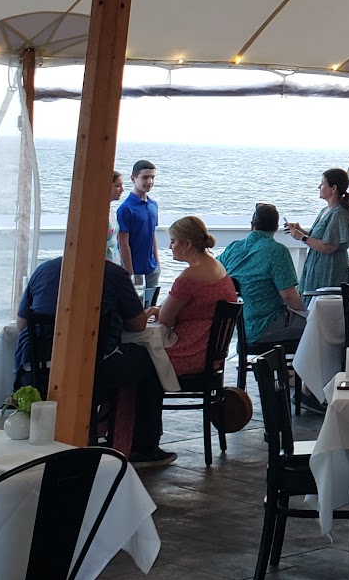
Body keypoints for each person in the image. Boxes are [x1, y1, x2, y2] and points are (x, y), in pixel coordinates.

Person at [17, 241, 173, 467]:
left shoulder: (43, 270)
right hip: (92, 372)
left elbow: (22, 325)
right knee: (151, 364)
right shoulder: (114, 274)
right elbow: (138, 325)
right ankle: (142, 447)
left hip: (35, 369)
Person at [153, 217, 237, 375]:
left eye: (173, 241)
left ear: (187, 244)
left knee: (133, 359)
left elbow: (165, 319)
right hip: (210, 354)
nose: (170, 246)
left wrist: (156, 311)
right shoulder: (217, 266)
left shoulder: (190, 276)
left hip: (188, 354)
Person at [220, 204, 308, 349]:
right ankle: (306, 364)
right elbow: (289, 296)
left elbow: (215, 273)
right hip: (268, 325)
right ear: (276, 227)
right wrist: (306, 312)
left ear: (252, 225)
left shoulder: (233, 249)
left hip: (243, 327)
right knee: (318, 326)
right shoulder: (277, 251)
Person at [286, 168, 349, 294]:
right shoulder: (325, 210)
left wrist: (302, 237)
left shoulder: (339, 214)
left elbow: (328, 246)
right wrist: (301, 231)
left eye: (322, 184)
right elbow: (320, 238)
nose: (319, 187)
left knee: (322, 302)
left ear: (333, 188)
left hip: (329, 269)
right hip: (316, 266)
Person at [115, 158, 161, 303]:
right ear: (133, 179)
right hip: (134, 269)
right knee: (134, 306)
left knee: (151, 304)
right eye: (145, 177)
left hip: (152, 267)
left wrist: (157, 262)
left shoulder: (153, 205)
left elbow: (152, 234)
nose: (149, 181)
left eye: (152, 177)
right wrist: (129, 270)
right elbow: (123, 242)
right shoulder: (126, 208)